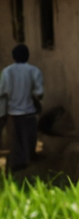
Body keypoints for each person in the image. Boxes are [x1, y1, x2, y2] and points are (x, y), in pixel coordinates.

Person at [3, 44, 43, 175]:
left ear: (13, 57)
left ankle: (17, 166)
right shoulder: (34, 70)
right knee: (30, 139)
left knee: (16, 141)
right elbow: (40, 93)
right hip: (29, 112)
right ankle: (29, 162)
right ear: (28, 56)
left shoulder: (7, 72)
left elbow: (2, 92)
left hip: (13, 112)